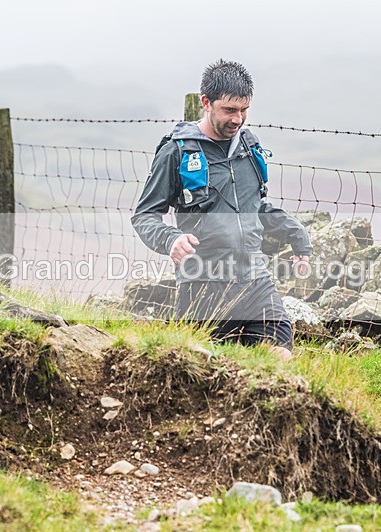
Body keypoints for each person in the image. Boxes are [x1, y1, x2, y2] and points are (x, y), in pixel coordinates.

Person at [131, 59, 311, 361]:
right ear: (206, 103)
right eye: (229, 110)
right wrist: (171, 239)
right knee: (209, 371)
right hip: (202, 286)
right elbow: (145, 215)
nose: (238, 119)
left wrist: (297, 235)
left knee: (280, 356)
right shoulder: (176, 152)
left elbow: (256, 208)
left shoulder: (249, 148)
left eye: (244, 110)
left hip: (254, 281)